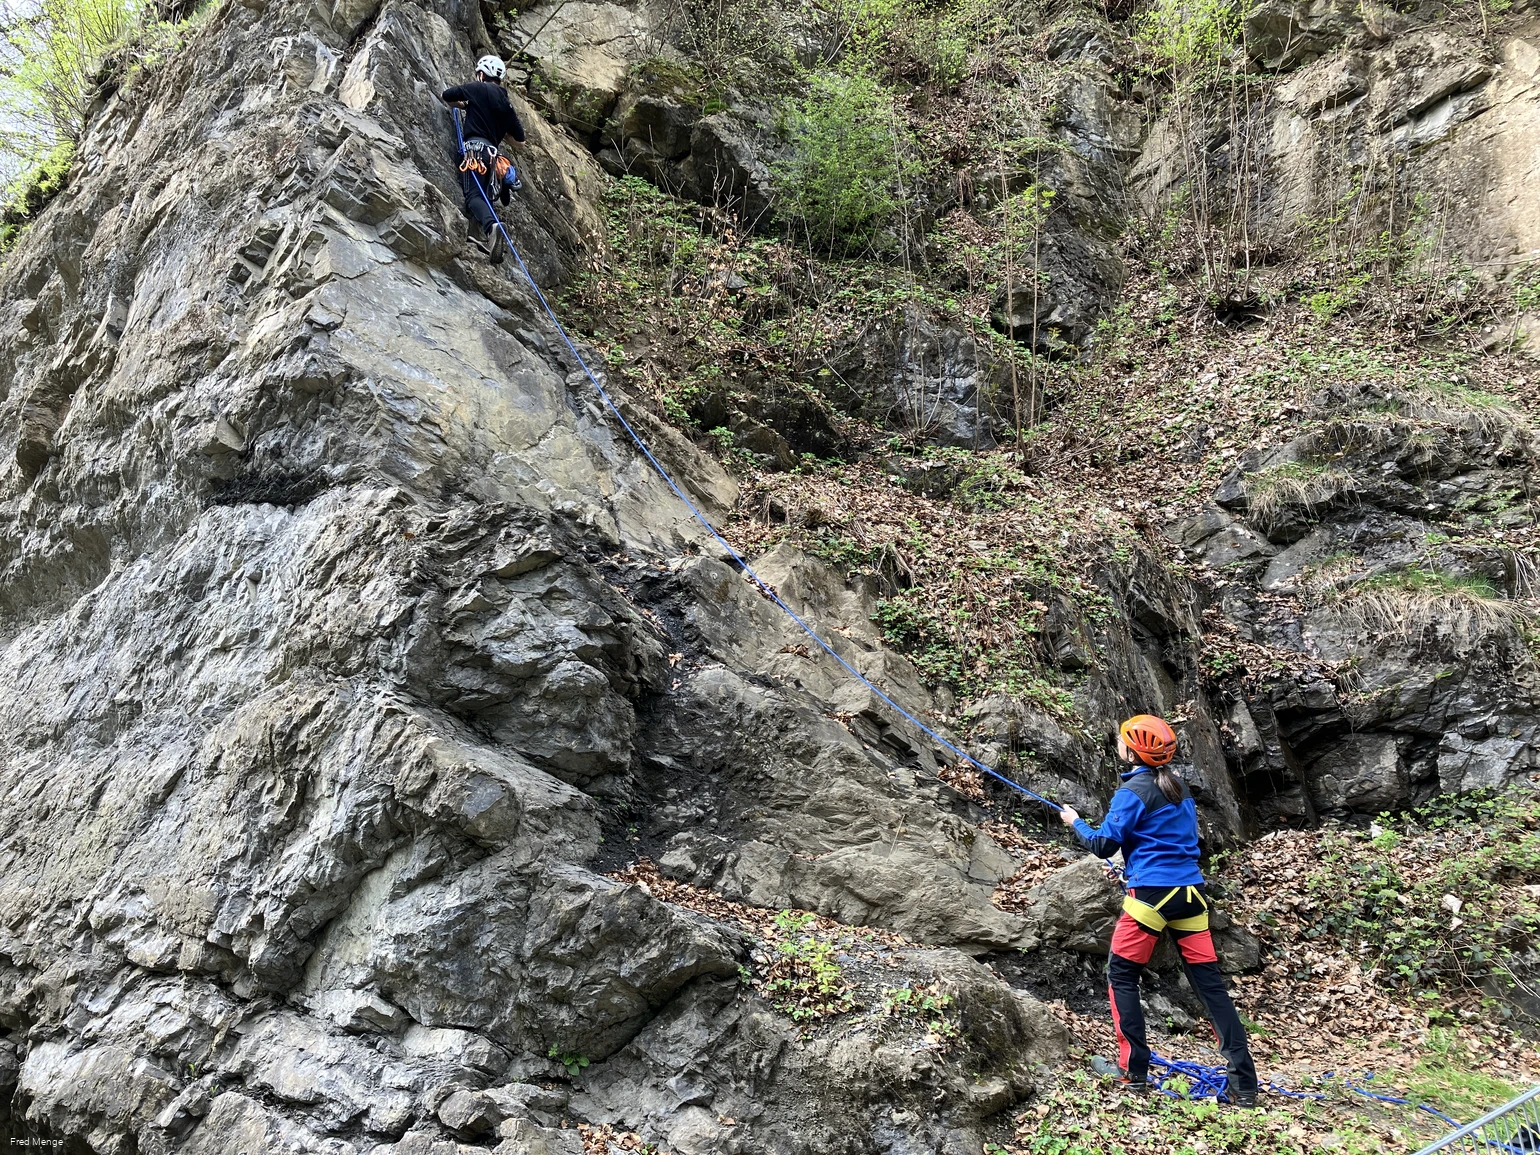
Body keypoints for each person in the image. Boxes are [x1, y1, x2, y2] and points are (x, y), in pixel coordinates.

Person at [1058, 714, 1259, 1107]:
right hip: (1190, 895)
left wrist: (1075, 822)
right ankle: (1245, 1085)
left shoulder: (1133, 790)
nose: (1117, 743)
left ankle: (1133, 1073)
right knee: (1210, 987)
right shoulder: (1177, 787)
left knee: (1122, 973)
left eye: (1121, 740)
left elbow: (1102, 844)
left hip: (1152, 895)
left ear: (1132, 750)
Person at [440, 55, 526, 264]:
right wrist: (501, 132)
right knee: (484, 198)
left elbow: (447, 95)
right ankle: (486, 237)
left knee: (472, 196)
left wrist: (467, 106)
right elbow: (520, 141)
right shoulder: (506, 105)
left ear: (481, 75)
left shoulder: (477, 89)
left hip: (474, 152)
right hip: (492, 156)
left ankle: (491, 228)